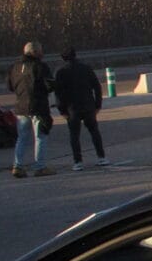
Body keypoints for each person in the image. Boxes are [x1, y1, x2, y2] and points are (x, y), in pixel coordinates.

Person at [53, 48, 108, 171]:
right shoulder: (86, 68)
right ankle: (102, 157)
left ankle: (78, 161)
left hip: (72, 107)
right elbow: (97, 87)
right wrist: (98, 105)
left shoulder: (61, 72)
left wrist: (62, 110)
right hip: (88, 105)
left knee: (74, 135)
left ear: (63, 58)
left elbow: (58, 93)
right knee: (94, 131)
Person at [7, 41, 55, 178]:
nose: (42, 54)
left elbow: (10, 86)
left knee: (22, 138)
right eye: (40, 51)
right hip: (38, 107)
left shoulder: (14, 67)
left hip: (21, 107)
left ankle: (18, 166)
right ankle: (40, 167)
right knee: (40, 137)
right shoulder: (40, 66)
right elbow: (50, 85)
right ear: (35, 52)